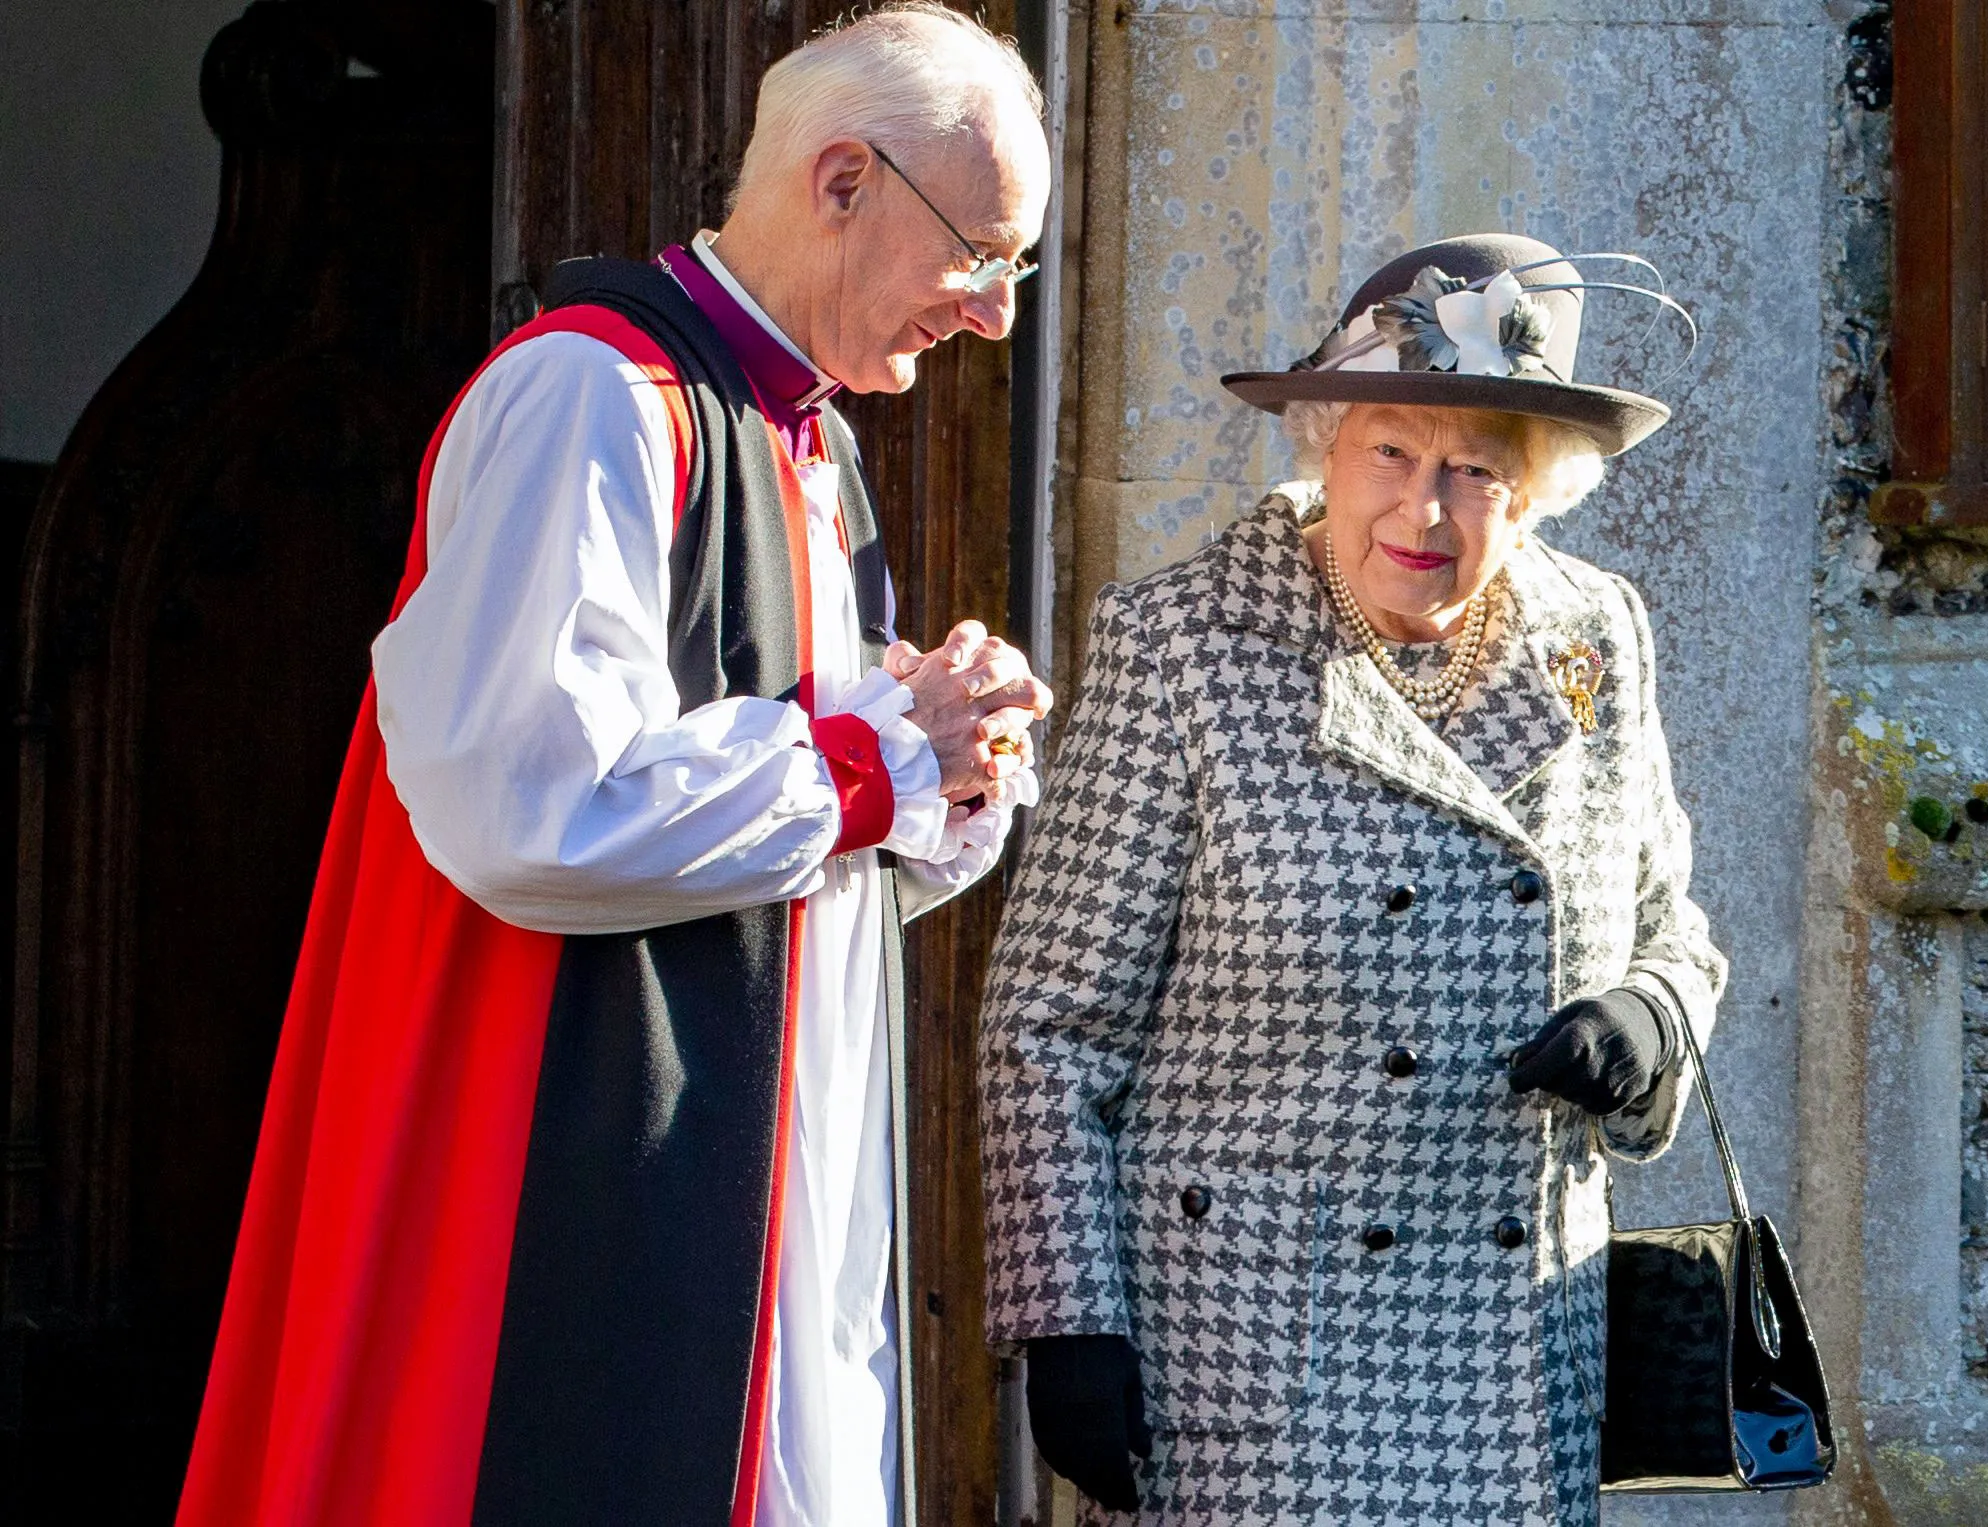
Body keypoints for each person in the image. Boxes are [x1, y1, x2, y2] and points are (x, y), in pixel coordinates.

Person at [176, 7, 1051, 1525]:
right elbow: (534, 801)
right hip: (565, 1162)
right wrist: (870, 764)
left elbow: (782, 824)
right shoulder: (590, 396)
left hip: (757, 1168)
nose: (988, 317)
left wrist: (941, 760)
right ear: (841, 180)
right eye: (977, 256)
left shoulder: (808, 444)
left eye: (1013, 273)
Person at [978, 233, 1728, 1524]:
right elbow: (1047, 1028)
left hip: (1516, 1346)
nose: (1421, 510)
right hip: (1256, 1368)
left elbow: (1678, 931)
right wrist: (1066, 1320)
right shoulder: (1185, 643)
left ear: (1537, 490)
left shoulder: (1598, 636)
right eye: (1390, 451)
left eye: (1474, 471)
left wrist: (1647, 1021)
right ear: (1327, 442)